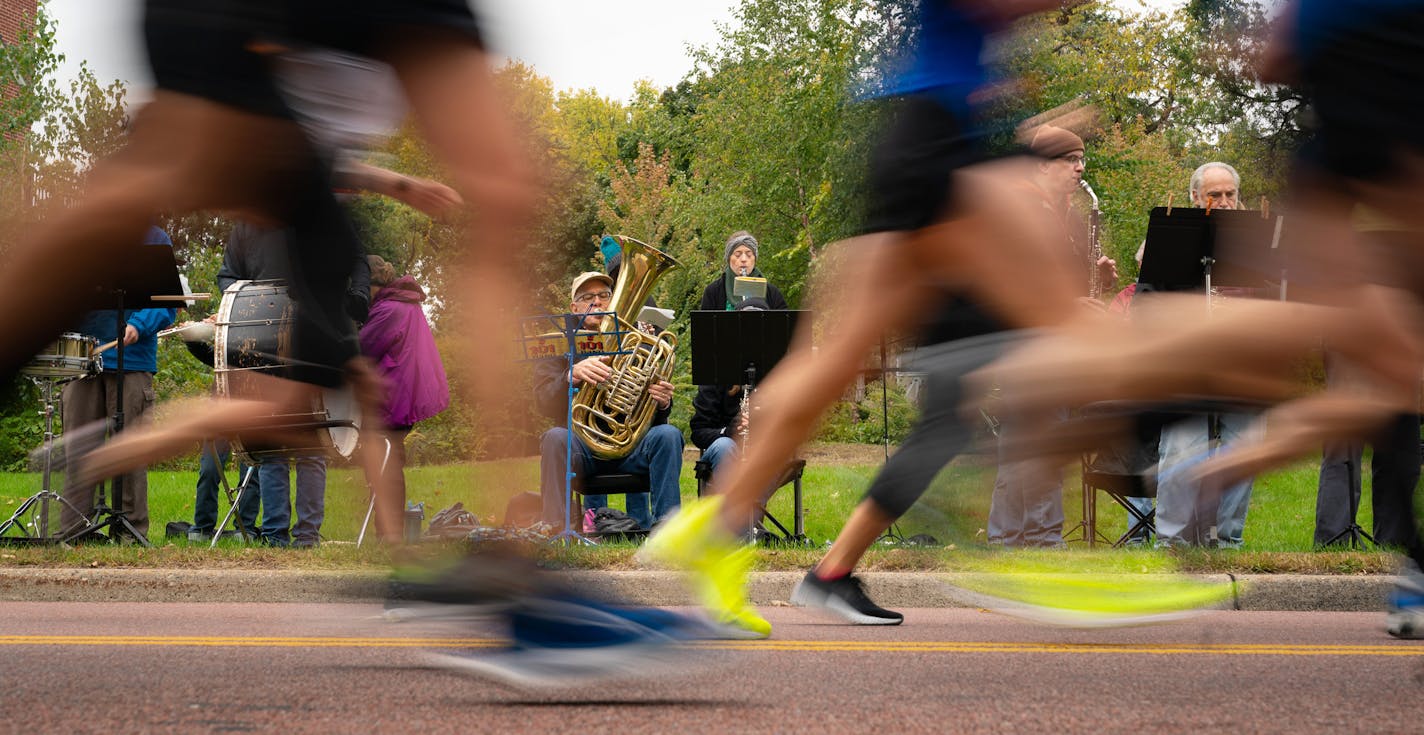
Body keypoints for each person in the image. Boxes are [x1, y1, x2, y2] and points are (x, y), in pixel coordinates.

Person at [0, 2, 702, 684]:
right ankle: (510, 575)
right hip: (240, 41)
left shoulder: (311, 194)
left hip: (258, 81)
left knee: (315, 382)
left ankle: (477, 568)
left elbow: (320, 168)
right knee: (500, 192)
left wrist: (395, 182)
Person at [641, 1, 1231, 637]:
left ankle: (718, 529)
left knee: (847, 366)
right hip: (939, 148)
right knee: (1064, 324)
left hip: (921, 142)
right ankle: (1044, 557)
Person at [986, 124, 1115, 548]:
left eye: (1082, 160)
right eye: (1071, 160)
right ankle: (1040, 541)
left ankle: (1008, 540)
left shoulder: (1069, 216)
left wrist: (1097, 281)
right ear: (1043, 167)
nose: (1080, 169)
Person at [1126, 162, 1259, 549]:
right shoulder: (1169, 242)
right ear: (1195, 199)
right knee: (1181, 448)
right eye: (1214, 195)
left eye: (1230, 194)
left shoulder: (1256, 246)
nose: (1223, 202)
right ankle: (1172, 544)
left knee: (1247, 445)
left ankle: (1227, 542)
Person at [534, 272, 682, 532]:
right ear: (574, 307)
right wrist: (572, 375)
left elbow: (655, 417)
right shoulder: (558, 343)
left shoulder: (636, 342)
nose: (598, 302)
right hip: (582, 447)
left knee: (668, 435)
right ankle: (554, 530)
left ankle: (668, 531)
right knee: (554, 437)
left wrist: (662, 403)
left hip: (630, 445)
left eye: (604, 296)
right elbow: (542, 401)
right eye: (588, 297)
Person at [57, 226, 177, 542]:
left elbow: (166, 302)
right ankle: (75, 531)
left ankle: (129, 533)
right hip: (80, 359)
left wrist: (139, 324)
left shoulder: (154, 238)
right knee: (79, 450)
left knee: (130, 451)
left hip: (133, 361)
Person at [359, 254, 450, 524]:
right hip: (400, 394)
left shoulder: (389, 310)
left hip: (390, 397)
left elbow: (361, 348)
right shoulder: (402, 303)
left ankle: (389, 533)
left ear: (373, 283)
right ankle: (389, 532)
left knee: (385, 464)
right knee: (389, 459)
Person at [698, 232, 790, 312]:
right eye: (737, 255)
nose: (743, 259)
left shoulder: (771, 292)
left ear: (755, 259)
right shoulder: (714, 291)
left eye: (749, 255)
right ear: (729, 258)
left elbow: (785, 325)